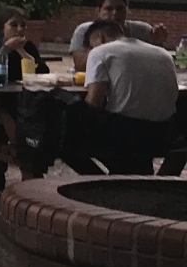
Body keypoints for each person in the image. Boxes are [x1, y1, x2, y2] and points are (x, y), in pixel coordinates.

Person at [61, 19, 180, 175]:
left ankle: (99, 181)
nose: (91, 50)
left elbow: (94, 102)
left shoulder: (100, 52)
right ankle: (126, 176)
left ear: (100, 38)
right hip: (165, 132)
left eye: (91, 45)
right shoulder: (163, 53)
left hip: (124, 134)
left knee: (62, 140)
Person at [0, 7, 51, 194]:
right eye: (14, 25)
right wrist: (5, 50)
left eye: (23, 25)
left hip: (23, 102)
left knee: (39, 123)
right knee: (1, 123)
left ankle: (32, 172)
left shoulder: (28, 47)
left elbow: (42, 72)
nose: (19, 29)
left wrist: (22, 52)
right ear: (1, 28)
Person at [67, 0, 170, 65]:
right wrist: (101, 47)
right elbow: (80, 66)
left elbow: (158, 63)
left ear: (128, 11)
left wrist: (158, 44)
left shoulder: (142, 31)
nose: (115, 13)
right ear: (98, 11)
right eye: (109, 9)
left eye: (120, 9)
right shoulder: (84, 30)